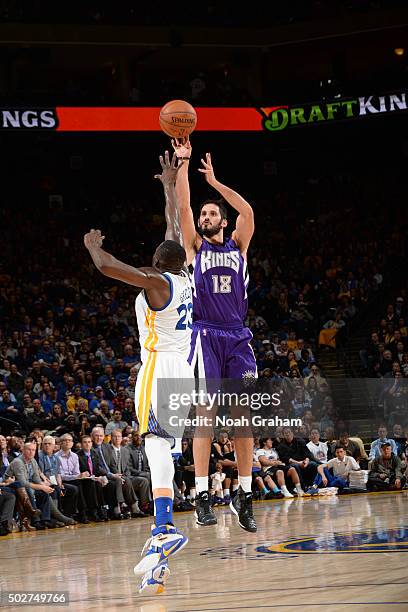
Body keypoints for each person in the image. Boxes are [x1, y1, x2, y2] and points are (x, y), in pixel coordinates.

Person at [84, 151, 192, 595]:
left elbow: (111, 268)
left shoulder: (157, 280)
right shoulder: (183, 275)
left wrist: (93, 246)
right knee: (164, 449)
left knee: (152, 445)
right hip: (185, 371)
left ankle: (164, 526)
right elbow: (174, 230)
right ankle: (159, 545)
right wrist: (168, 186)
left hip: (160, 368)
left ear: (154, 260)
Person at [173, 137, 257, 532]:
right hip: (205, 335)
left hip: (237, 336)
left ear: (222, 221)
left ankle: (244, 492)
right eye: (204, 213)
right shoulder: (194, 249)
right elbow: (183, 205)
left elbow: (248, 210)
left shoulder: (239, 246)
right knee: (206, 415)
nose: (205, 216)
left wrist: (217, 182)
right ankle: (203, 493)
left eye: (211, 214)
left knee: (243, 416)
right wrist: (184, 163)